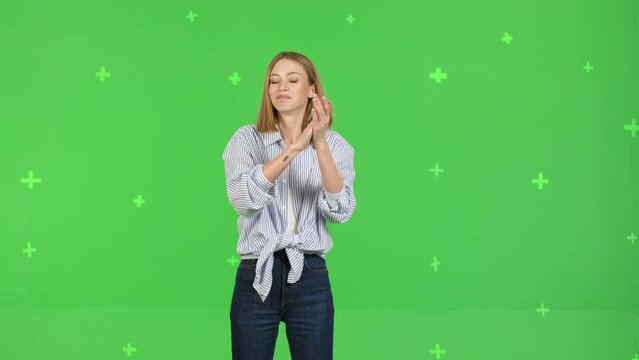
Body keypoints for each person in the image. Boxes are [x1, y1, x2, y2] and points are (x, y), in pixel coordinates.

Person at [222, 51, 357, 359]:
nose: (281, 87)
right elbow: (242, 199)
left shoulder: (336, 146)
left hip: (310, 276)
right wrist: (294, 148)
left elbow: (341, 210)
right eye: (274, 81)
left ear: (312, 89)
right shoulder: (246, 139)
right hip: (256, 273)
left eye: (293, 80)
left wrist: (318, 143)